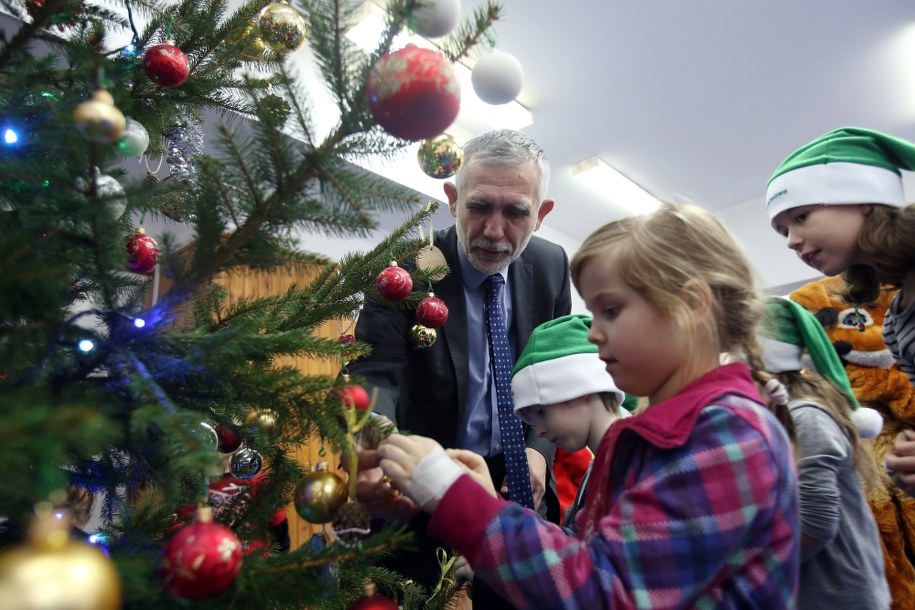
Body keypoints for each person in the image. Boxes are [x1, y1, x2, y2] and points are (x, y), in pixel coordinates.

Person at [373, 203, 800, 608]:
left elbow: (604, 592)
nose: (593, 334)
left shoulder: (727, 435)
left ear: (691, 304)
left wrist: (453, 495)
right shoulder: (653, 436)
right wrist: (489, 501)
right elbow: (587, 551)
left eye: (610, 310)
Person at [348, 128, 571, 592]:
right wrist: (378, 450)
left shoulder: (551, 267)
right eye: (479, 206)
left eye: (515, 212)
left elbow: (553, 377)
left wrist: (537, 450)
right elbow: (375, 375)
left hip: (514, 485)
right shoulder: (403, 273)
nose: (493, 231)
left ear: (542, 214)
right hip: (421, 482)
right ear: (453, 198)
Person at [766, 125, 915, 492]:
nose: (792, 241)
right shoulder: (897, 317)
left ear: (863, 197)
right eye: (784, 230)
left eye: (801, 216)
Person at [760, 295, 889, 609]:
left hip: (838, 596)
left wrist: (751, 573)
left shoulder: (804, 416)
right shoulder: (774, 416)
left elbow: (816, 524)